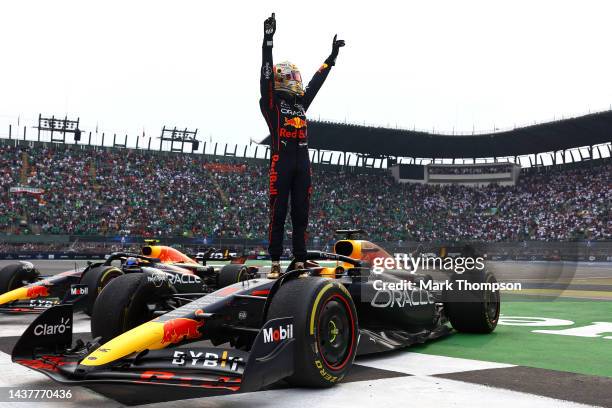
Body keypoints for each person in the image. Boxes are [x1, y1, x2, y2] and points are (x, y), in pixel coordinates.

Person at [259, 13, 345, 278]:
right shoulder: (272, 104)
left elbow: (315, 85)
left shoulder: (300, 104)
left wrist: (330, 60)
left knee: (301, 213)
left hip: (302, 166)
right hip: (280, 164)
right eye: (291, 76)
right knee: (279, 212)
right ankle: (275, 262)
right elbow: (264, 77)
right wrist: (268, 41)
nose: (296, 80)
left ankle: (299, 259)